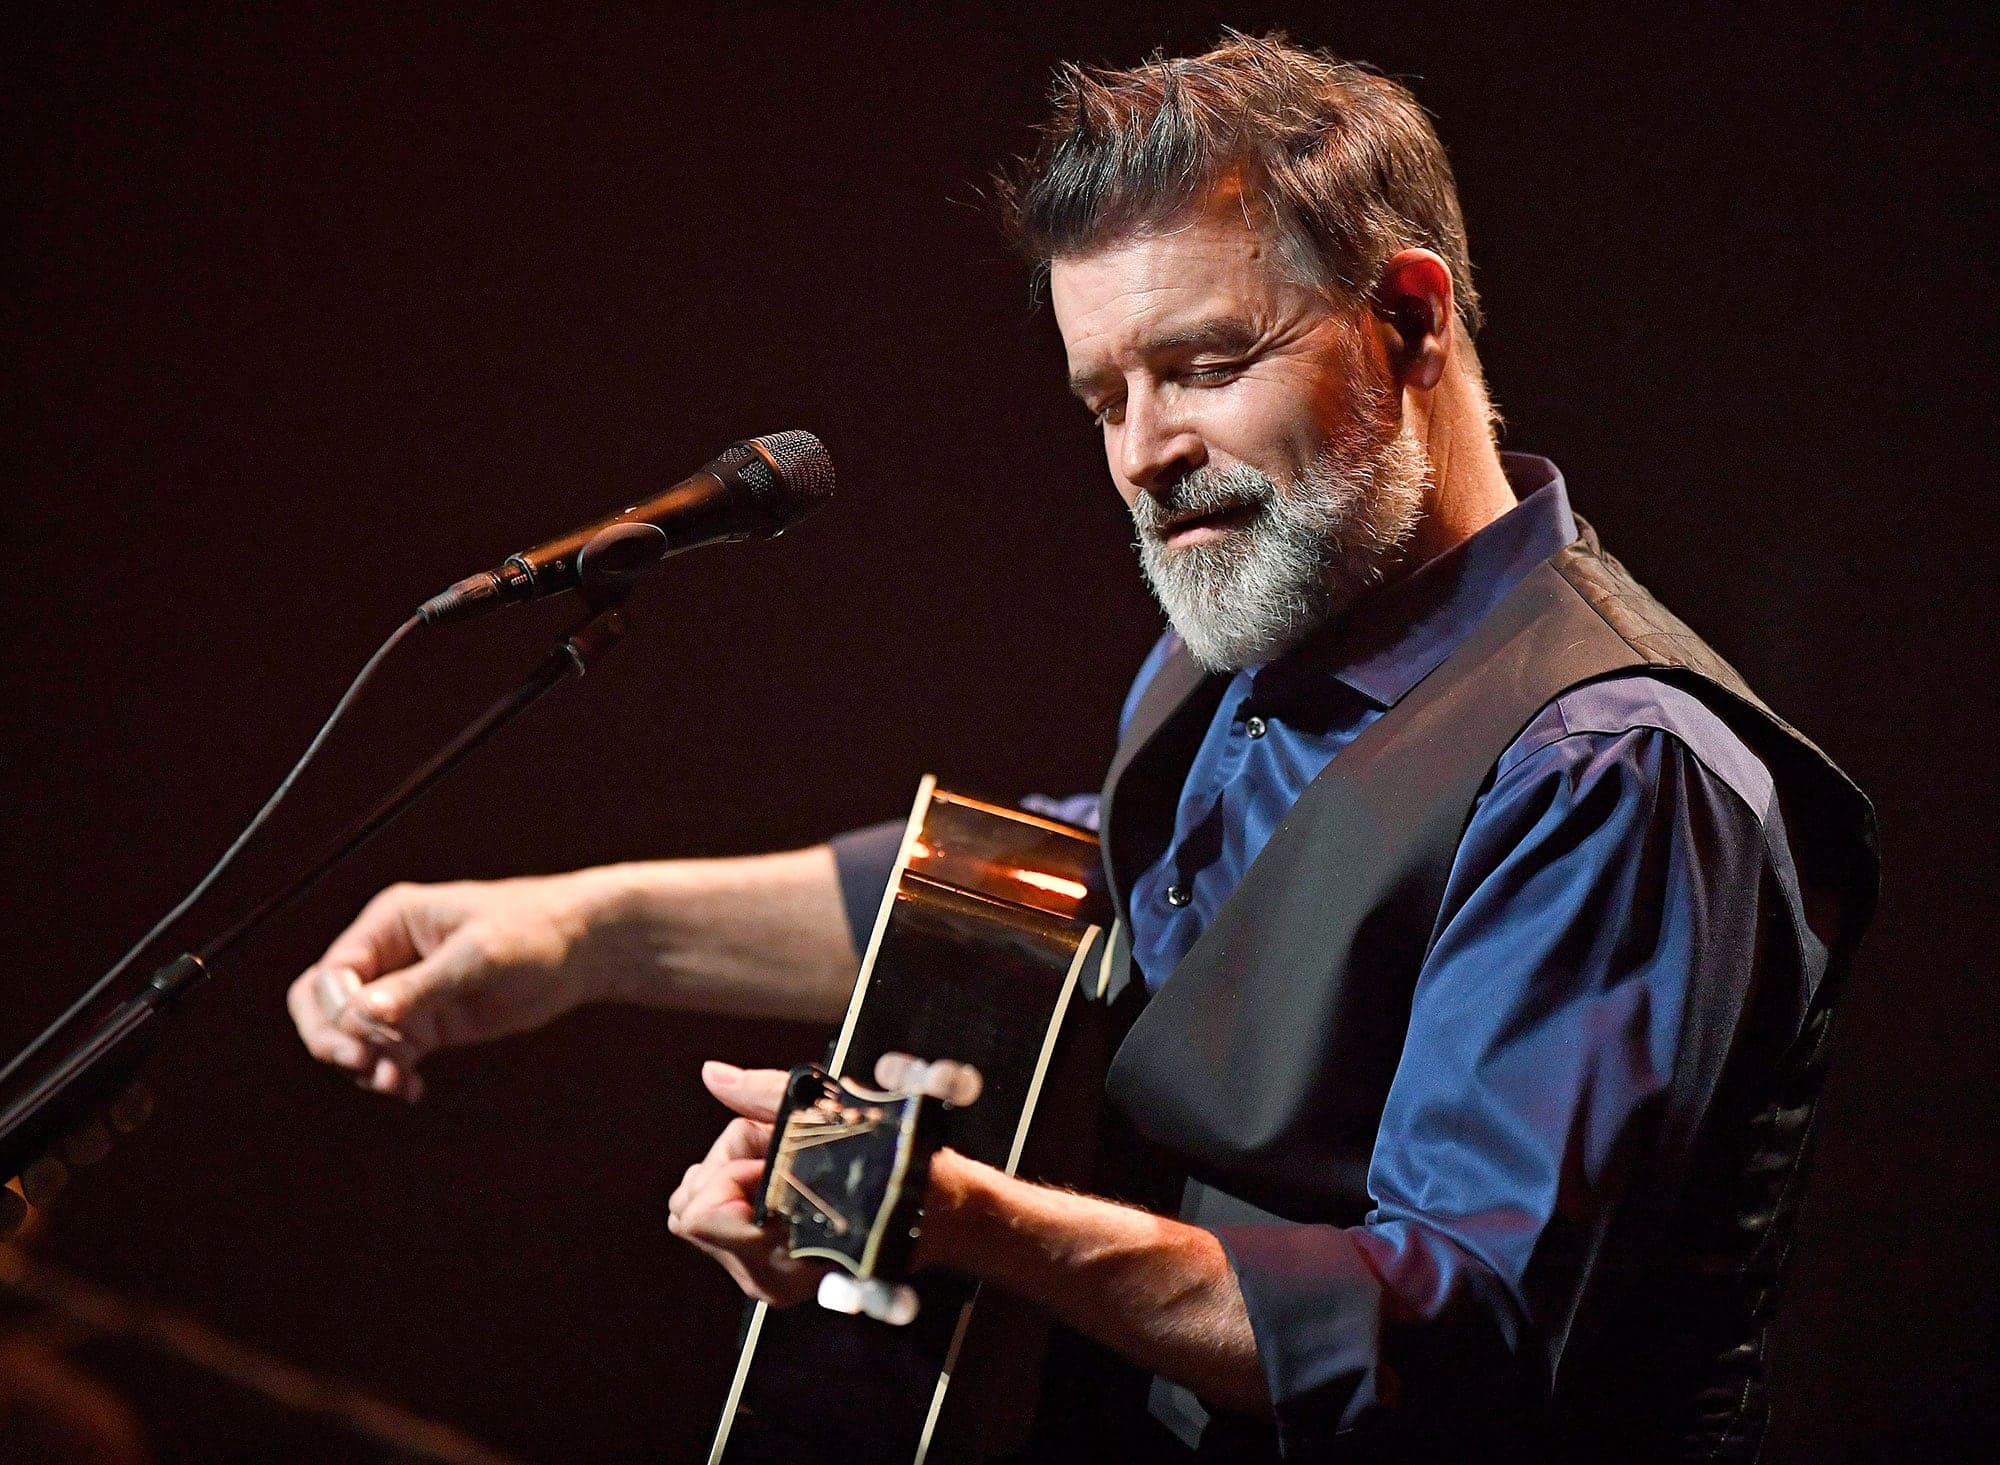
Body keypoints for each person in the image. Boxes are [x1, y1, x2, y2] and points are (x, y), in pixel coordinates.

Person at [286, 34, 1875, 1463]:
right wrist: (579, 931)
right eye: (1100, 395)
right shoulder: (1253, 627)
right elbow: (1048, 889)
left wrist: (947, 1209)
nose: (1143, 455)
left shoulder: (1609, 764)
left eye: (1201, 365)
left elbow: (1448, 1325)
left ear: (1406, 317)